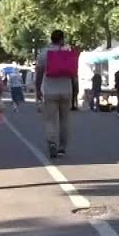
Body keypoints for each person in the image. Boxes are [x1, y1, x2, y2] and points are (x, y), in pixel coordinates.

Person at [36, 29, 80, 159]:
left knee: (50, 120)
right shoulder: (69, 53)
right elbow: (74, 74)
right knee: (64, 120)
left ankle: (51, 142)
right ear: (62, 39)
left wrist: (38, 88)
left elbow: (39, 72)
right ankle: (62, 147)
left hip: (50, 90)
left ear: (51, 39)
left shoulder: (44, 54)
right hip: (66, 90)